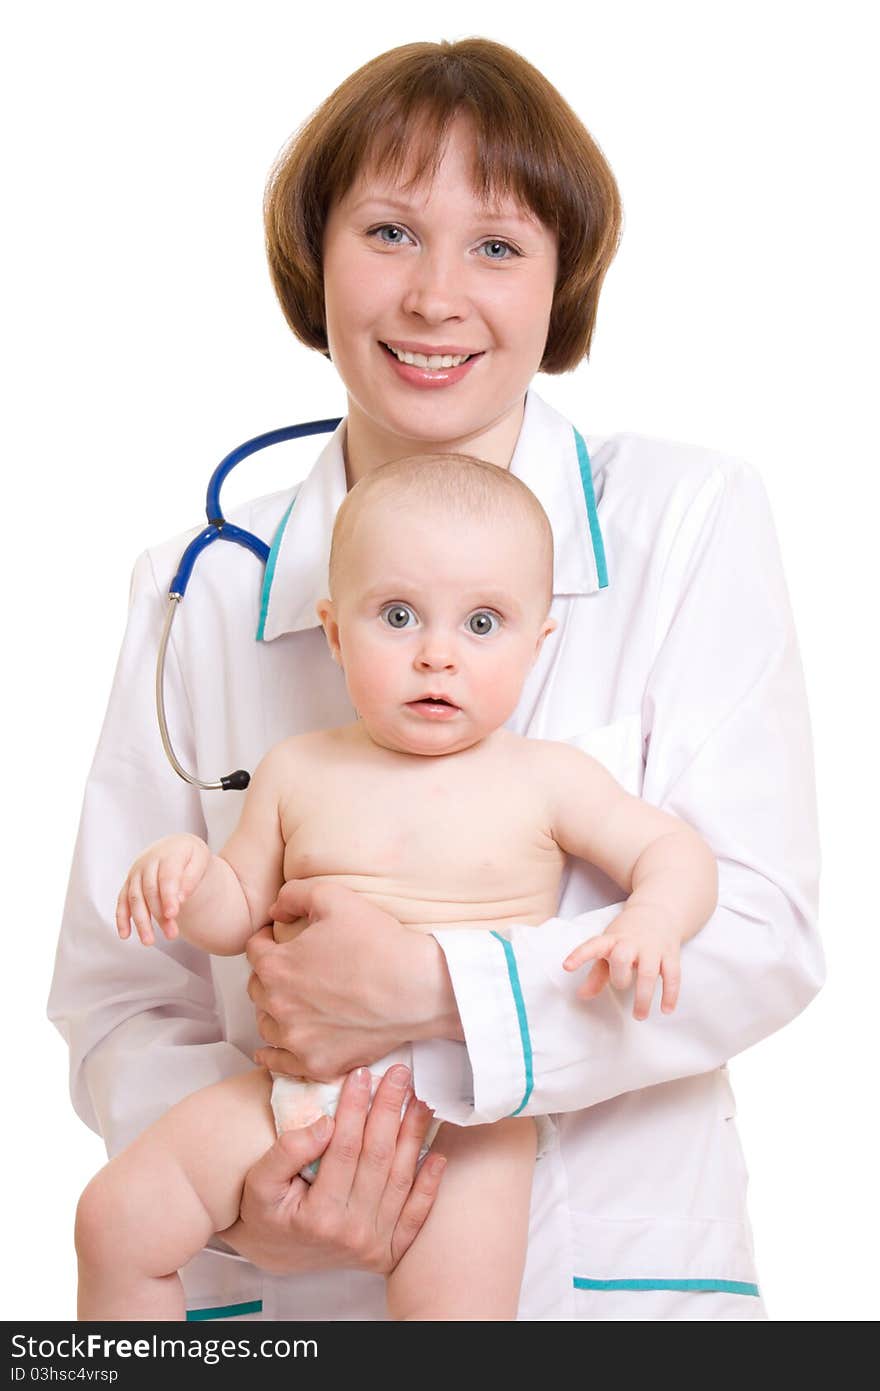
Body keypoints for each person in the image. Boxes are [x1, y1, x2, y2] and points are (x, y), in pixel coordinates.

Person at [49, 38, 823, 1321]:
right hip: (280, 1282)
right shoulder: (206, 584)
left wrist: (436, 988)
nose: (434, 297)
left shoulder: (685, 520)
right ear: (315, 254)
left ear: (561, 280)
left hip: (604, 1277)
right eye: (390, 232)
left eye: (499, 247)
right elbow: (121, 992)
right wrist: (261, 1203)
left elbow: (757, 927)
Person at [75, 456, 718, 1321]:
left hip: (467, 1119)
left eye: (483, 622)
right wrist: (186, 879)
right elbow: (235, 912)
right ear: (336, 633)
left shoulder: (548, 779)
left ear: (538, 643)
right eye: (399, 615)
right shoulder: (296, 768)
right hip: (292, 1098)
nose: (437, 655)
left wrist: (653, 918)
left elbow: (676, 854)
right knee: (112, 1218)